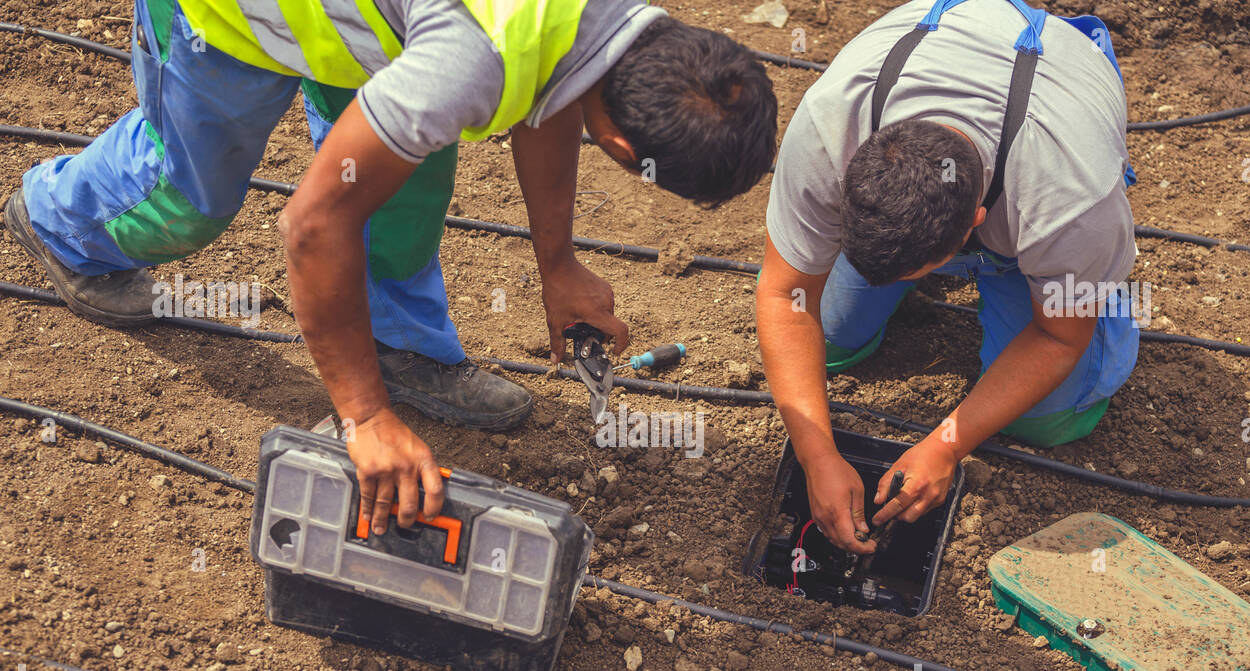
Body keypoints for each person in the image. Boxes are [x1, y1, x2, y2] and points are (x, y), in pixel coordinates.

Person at [5, 0, 776, 534]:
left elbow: (554, 85)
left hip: (380, 25)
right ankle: (60, 223)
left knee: (402, 193)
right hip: (230, 21)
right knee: (187, 195)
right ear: (622, 154)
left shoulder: (618, 30)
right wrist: (364, 419)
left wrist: (559, 263)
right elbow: (312, 223)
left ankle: (397, 344)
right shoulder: (469, 59)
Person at [756, 0, 1139, 554]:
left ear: (973, 228)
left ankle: (1083, 288)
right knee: (831, 342)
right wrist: (816, 455)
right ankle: (908, 267)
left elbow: (1059, 337)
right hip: (959, 97)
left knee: (1047, 418)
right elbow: (784, 293)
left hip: (1054, 98)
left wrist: (946, 445)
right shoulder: (826, 130)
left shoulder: (1069, 201)